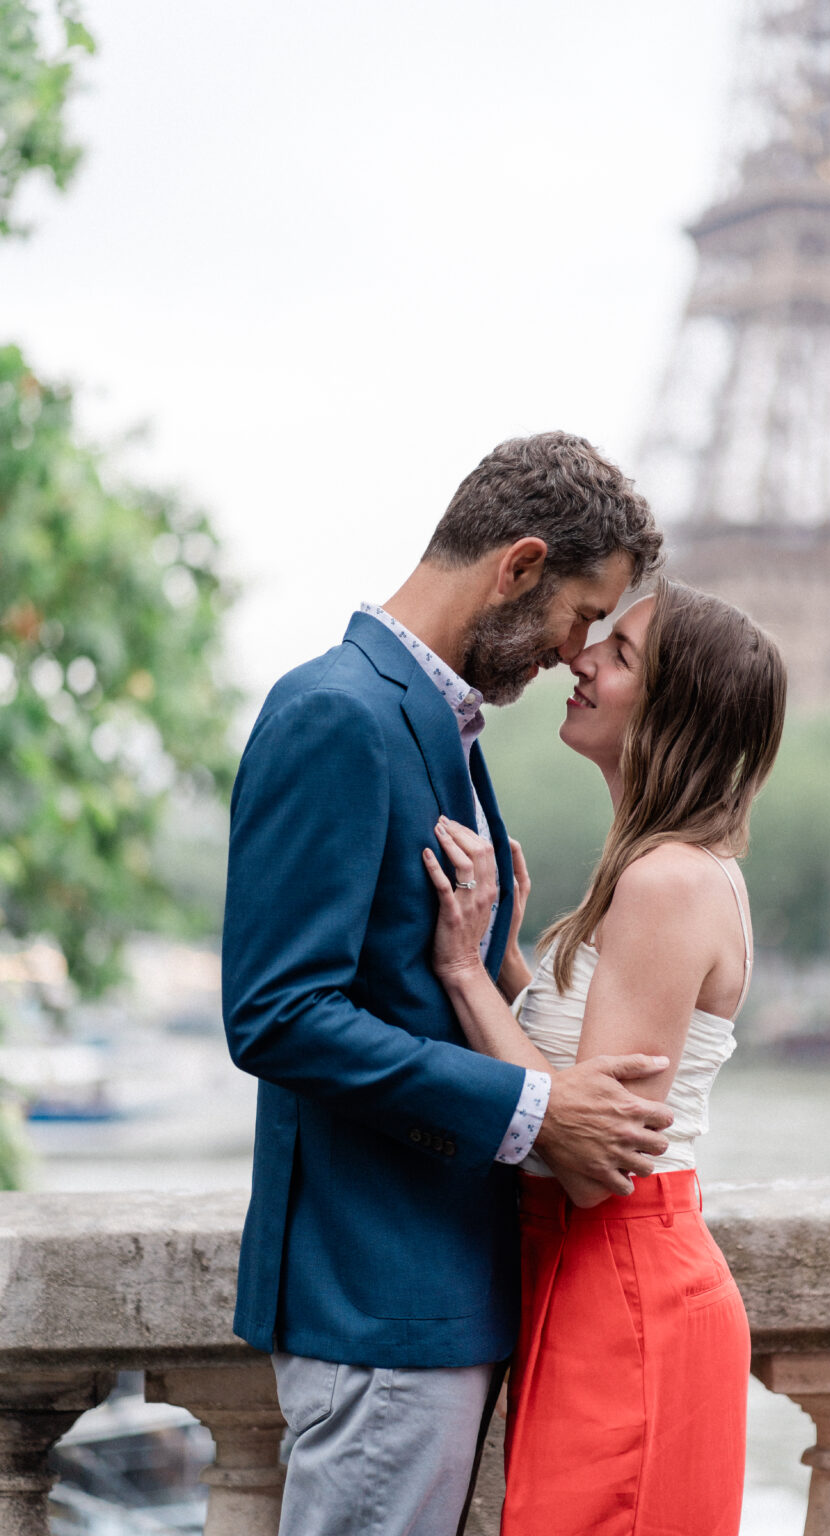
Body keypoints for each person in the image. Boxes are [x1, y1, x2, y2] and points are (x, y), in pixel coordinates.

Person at [221, 430, 670, 1536]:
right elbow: (278, 1013)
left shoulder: (434, 722)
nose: (578, 653)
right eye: (581, 613)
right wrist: (532, 1108)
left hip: (426, 1290)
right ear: (518, 564)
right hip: (377, 1299)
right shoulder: (337, 711)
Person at [423, 578, 787, 1536]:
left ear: (673, 710)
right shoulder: (659, 869)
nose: (581, 659)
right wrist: (510, 965)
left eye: (619, 654)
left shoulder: (667, 883)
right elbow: (575, 1078)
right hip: (593, 1276)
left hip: (620, 1274)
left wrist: (463, 971)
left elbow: (591, 1163)